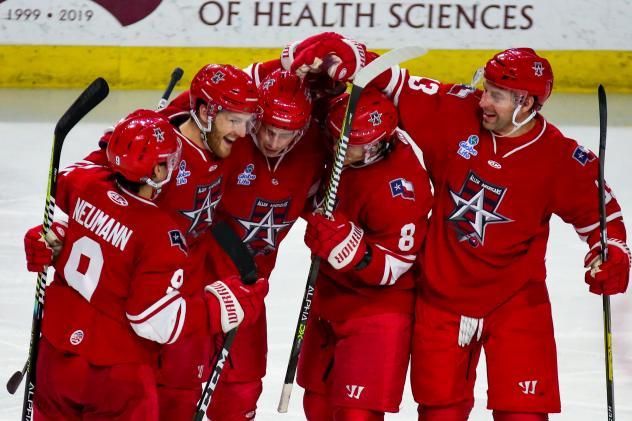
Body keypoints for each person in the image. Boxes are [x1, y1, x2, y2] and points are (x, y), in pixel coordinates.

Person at [284, 34, 631, 420]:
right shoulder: (455, 112)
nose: (483, 100)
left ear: (527, 103)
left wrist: (611, 252)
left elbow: (603, 218)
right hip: (440, 297)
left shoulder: (562, 158)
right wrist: (353, 53)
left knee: (524, 415)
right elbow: (395, 82)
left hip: (516, 299)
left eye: (497, 95)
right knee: (439, 413)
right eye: (486, 89)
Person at [25, 64, 268, 421]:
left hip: (170, 302)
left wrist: (64, 236)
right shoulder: (162, 158)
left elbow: (82, 191)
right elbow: (107, 191)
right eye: (234, 120)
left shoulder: (214, 146)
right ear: (205, 113)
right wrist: (58, 235)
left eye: (247, 120)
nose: (244, 131)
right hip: (132, 322)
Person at [166, 67, 329, 420]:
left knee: (240, 395)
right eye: (266, 128)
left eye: (286, 133)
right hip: (194, 288)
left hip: (250, 293)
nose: (272, 141)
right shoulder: (227, 139)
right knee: (176, 393)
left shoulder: (315, 150)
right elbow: (202, 105)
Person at [297, 88, 433, 421]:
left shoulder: (401, 186)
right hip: (328, 299)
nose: (339, 148)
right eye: (336, 138)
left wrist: (351, 249)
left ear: (377, 146)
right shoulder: (338, 148)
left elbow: (395, 266)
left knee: (356, 414)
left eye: (351, 144)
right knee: (316, 405)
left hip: (378, 312)